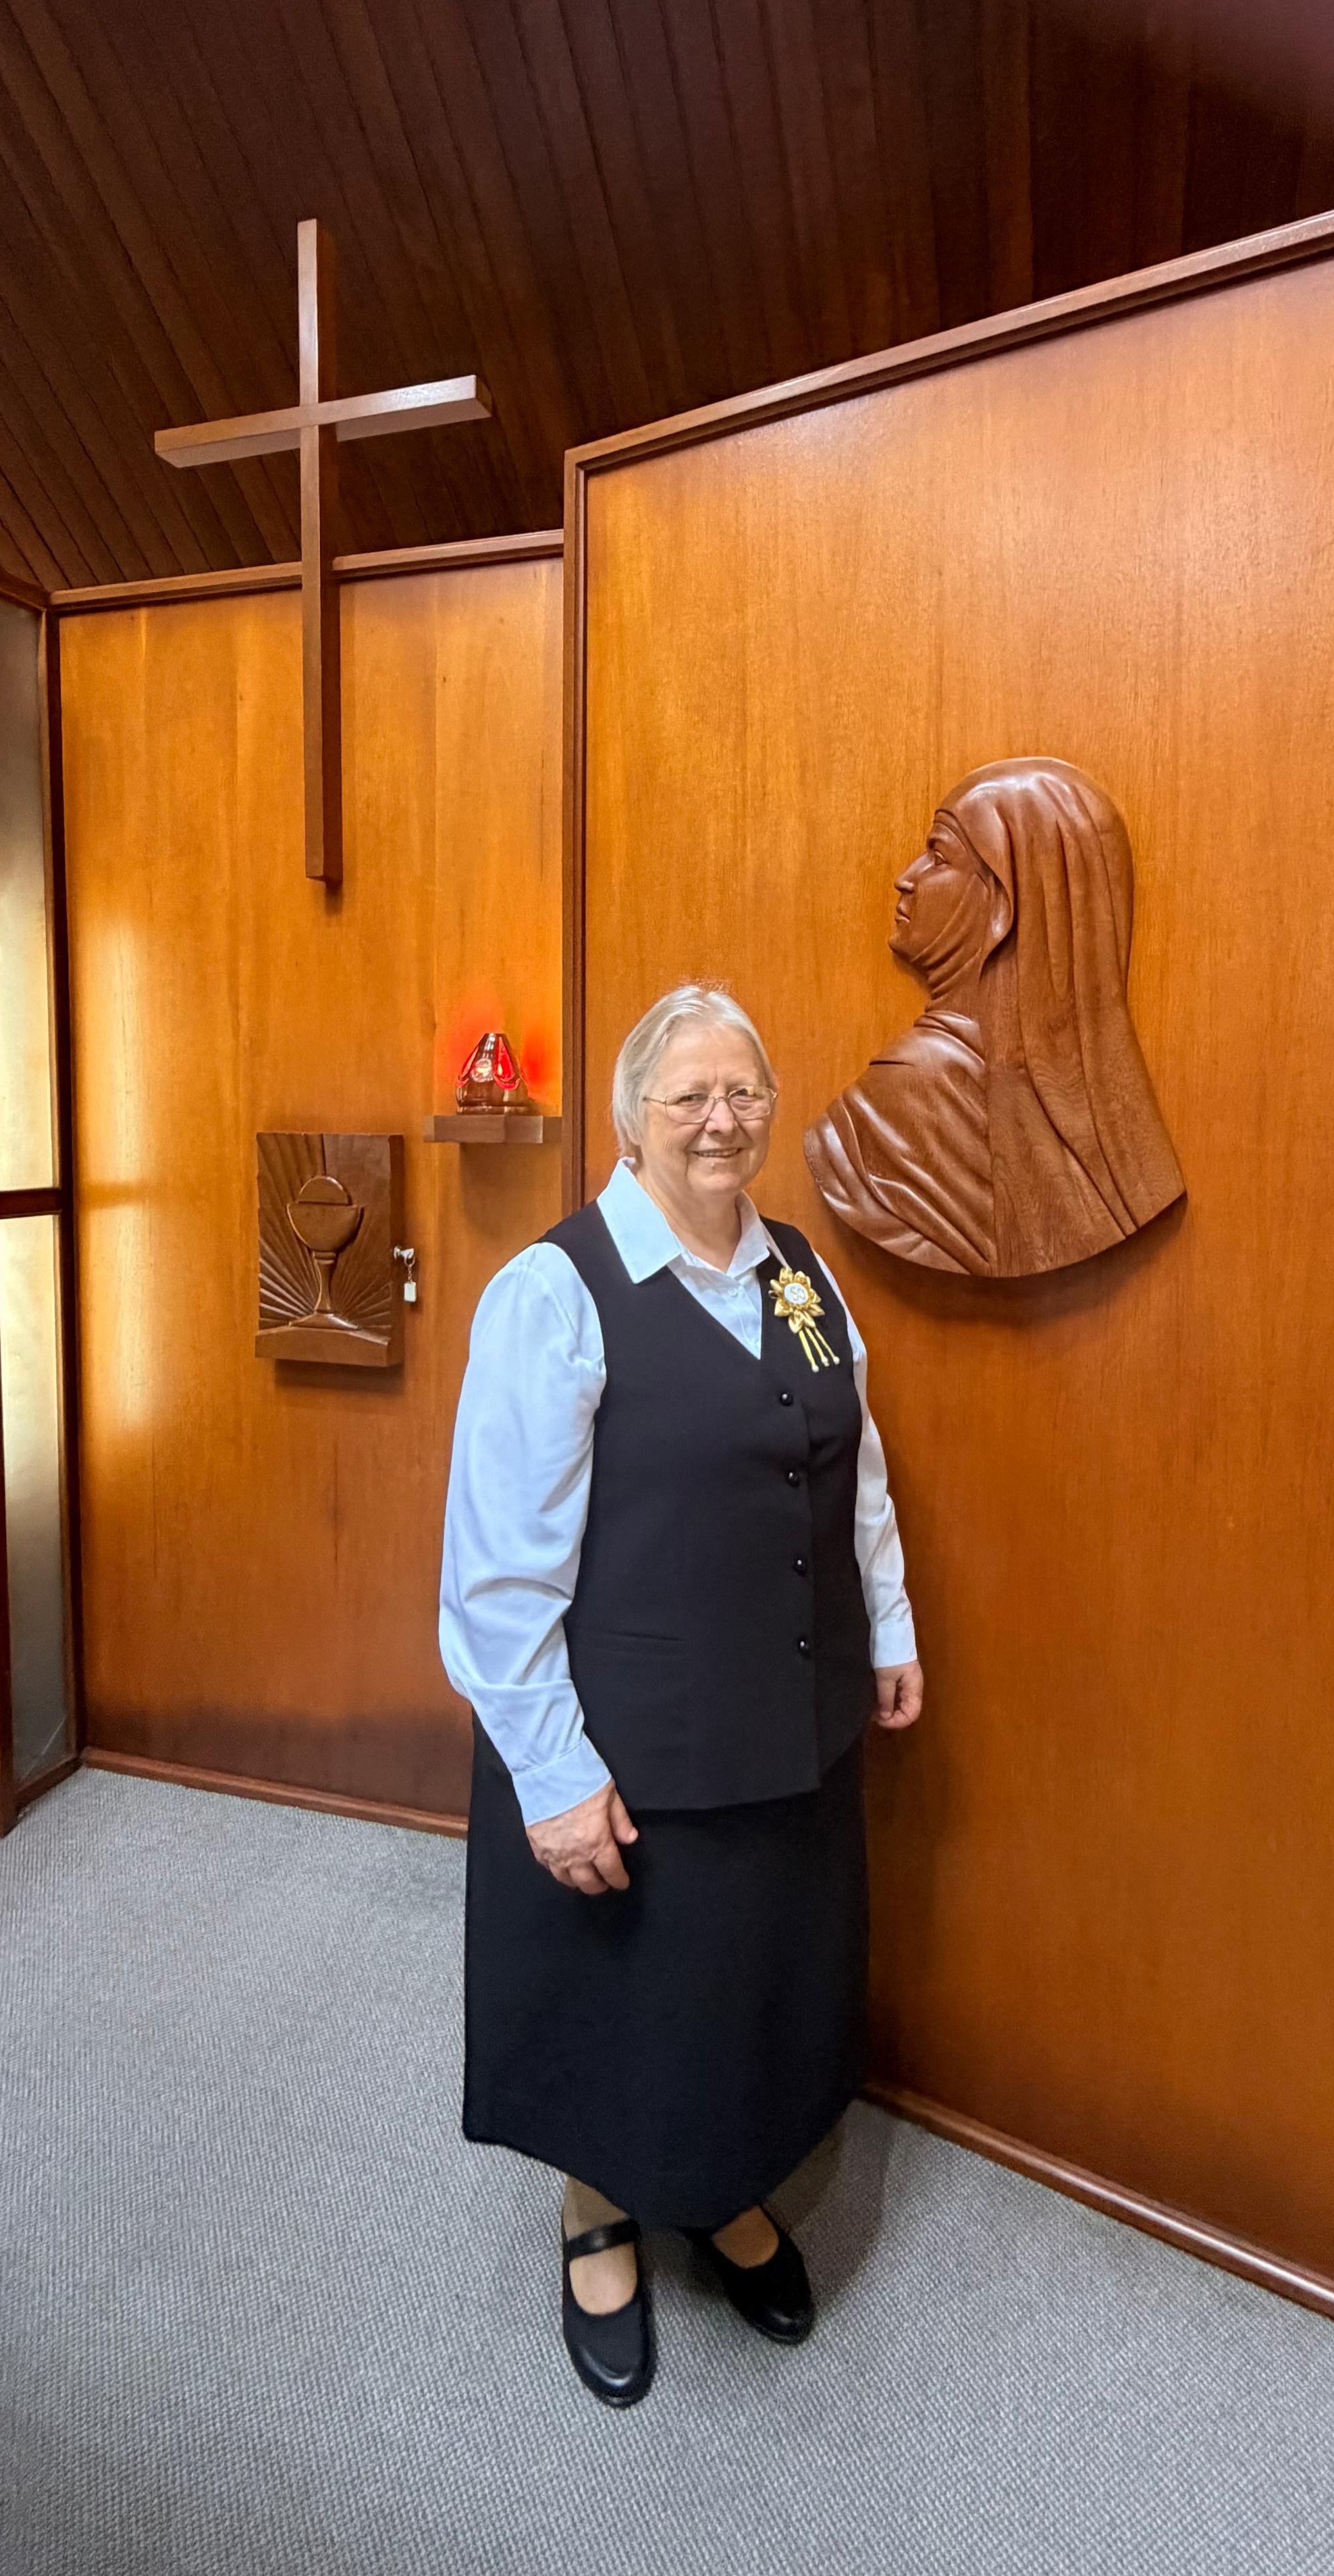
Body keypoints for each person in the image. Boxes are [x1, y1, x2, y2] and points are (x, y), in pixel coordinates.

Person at [439, 984, 922, 2406]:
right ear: (633, 1121)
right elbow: (496, 1575)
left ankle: (717, 2187)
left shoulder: (798, 1273)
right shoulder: (554, 1293)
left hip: (794, 1712)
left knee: (753, 1976)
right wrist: (551, 1770)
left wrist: (887, 1623)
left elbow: (858, 1472)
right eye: (690, 1097)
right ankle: (598, 2207)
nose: (724, 1119)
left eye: (746, 1093)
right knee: (626, 1990)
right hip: (630, 1740)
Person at [804, 757, 1185, 1276]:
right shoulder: (1128, 1160)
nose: (905, 879)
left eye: (938, 856)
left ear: (1003, 906)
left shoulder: (901, 1097)